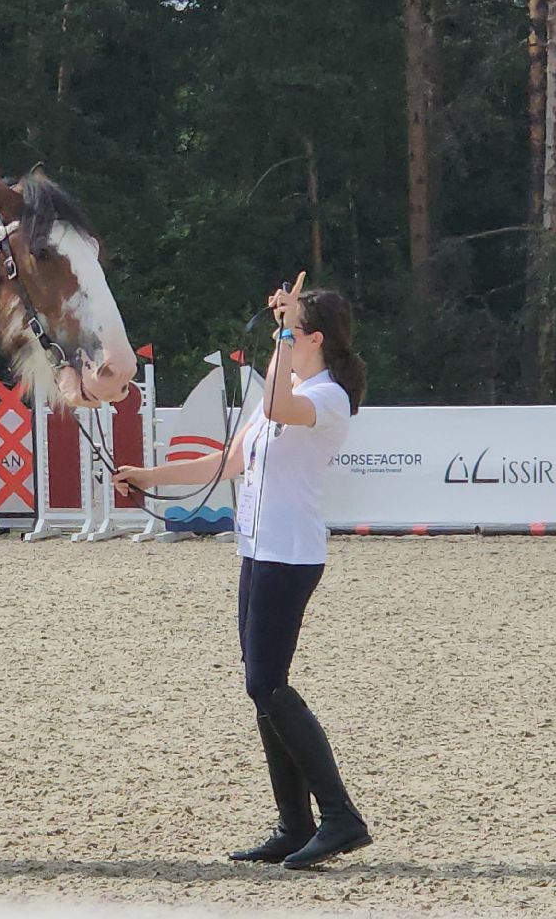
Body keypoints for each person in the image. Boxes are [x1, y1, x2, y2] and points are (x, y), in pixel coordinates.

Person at [114, 277, 371, 870]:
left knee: (268, 684)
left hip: (291, 553)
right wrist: (150, 476)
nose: (278, 337)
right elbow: (232, 461)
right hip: (258, 549)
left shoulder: (327, 397)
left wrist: (281, 332)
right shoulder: (288, 389)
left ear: (313, 339)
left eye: (290, 330)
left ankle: (340, 817)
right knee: (263, 689)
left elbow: (282, 406)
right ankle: (295, 823)